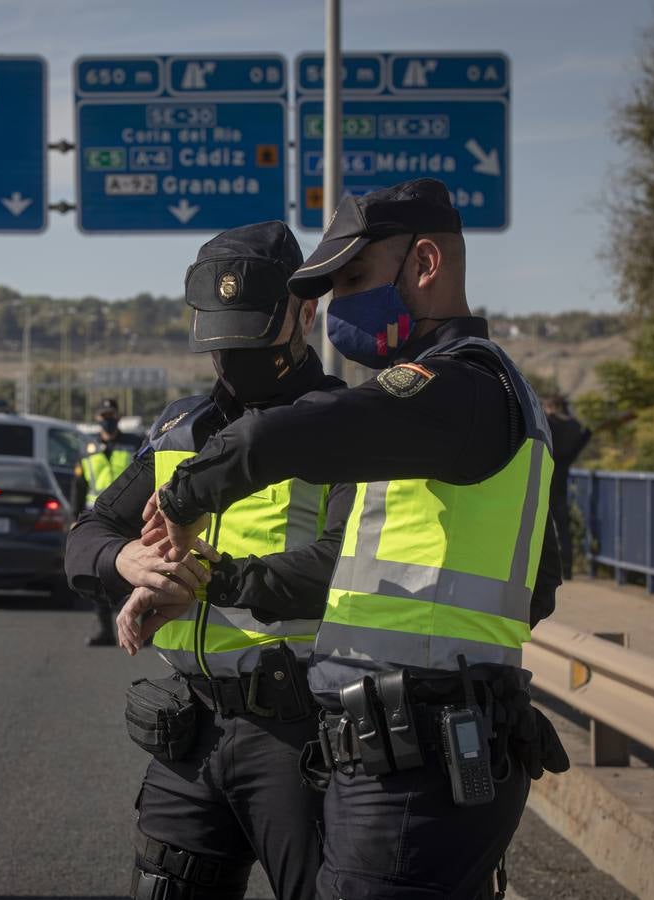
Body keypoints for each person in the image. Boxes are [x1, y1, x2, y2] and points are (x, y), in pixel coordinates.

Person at [139, 179, 569, 900]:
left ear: (425, 264)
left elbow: (276, 434)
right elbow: (539, 586)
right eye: (331, 288)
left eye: (357, 279)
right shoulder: (448, 408)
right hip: (401, 748)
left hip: (421, 761)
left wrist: (183, 498)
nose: (339, 304)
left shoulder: (459, 389)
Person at [65, 221, 352, 900]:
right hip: (187, 730)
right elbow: (86, 535)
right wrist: (127, 560)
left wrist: (201, 579)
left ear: (305, 314)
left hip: (297, 732)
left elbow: (342, 565)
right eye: (219, 336)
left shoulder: (344, 425)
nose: (231, 355)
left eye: (250, 331)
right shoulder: (181, 428)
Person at [74, 398, 144, 646]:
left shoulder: (134, 444)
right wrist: (76, 520)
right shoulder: (87, 448)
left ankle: (138, 629)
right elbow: (79, 487)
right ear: (97, 418)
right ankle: (104, 630)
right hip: (97, 518)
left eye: (112, 414)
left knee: (135, 574)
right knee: (100, 576)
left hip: (131, 517)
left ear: (118, 415)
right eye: (103, 415)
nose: (108, 419)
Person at [543, 395, 592, 580]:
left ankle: (546, 569)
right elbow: (579, 446)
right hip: (562, 477)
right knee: (563, 526)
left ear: (551, 406)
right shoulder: (574, 426)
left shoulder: (549, 423)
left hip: (546, 476)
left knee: (541, 524)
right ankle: (567, 567)